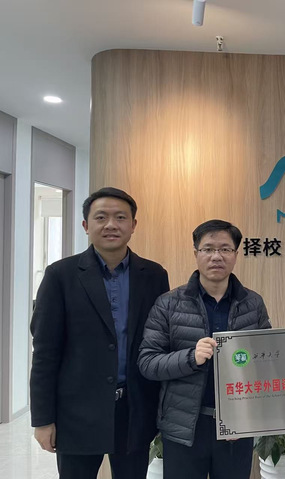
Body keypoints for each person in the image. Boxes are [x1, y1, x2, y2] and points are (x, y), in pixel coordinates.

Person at [30, 187, 170, 479]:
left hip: (134, 410)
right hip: (76, 413)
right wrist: (43, 420)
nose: (111, 225)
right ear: (86, 225)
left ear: (133, 225)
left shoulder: (154, 275)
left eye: (120, 217)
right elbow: (45, 352)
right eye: (101, 217)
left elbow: (160, 342)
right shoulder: (60, 275)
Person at [138, 219, 271, 479]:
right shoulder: (168, 304)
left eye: (225, 249)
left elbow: (266, 363)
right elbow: (148, 363)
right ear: (196, 253)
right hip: (184, 428)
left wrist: (249, 416)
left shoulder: (253, 303)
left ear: (236, 254)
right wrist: (190, 357)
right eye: (208, 249)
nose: (216, 256)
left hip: (236, 427)